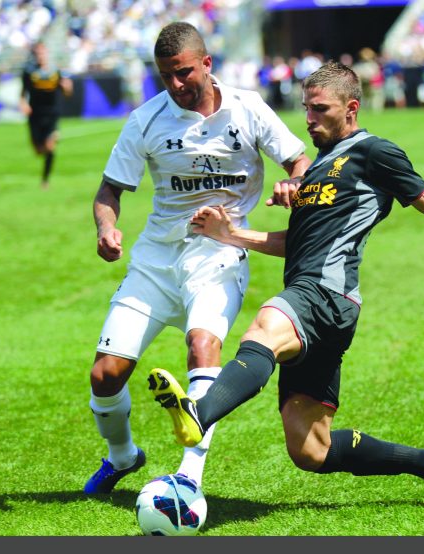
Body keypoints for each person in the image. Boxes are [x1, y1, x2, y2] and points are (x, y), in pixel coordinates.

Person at [148, 61, 424, 505]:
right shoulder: (320, 167)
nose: (308, 119)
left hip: (324, 294)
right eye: (305, 108)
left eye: (319, 109)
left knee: (264, 327)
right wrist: (231, 234)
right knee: (311, 450)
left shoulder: (374, 153)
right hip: (322, 303)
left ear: (351, 108)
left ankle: (199, 412)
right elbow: (299, 242)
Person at [84, 21, 310, 495]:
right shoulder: (146, 119)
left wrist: (292, 182)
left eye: (184, 73)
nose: (175, 85)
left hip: (220, 255)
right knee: (105, 376)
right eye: (165, 76)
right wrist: (107, 227)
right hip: (155, 260)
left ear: (207, 64)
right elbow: (110, 188)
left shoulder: (248, 109)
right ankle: (123, 457)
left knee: (202, 346)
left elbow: (298, 160)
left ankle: (189, 479)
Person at [19, 42, 73, 189]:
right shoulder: (29, 72)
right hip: (35, 114)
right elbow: (23, 92)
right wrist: (23, 103)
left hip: (52, 113)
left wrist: (68, 89)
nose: (40, 56)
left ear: (47, 54)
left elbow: (67, 93)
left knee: (50, 147)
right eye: (38, 53)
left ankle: (45, 180)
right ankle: (45, 154)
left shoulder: (55, 72)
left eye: (43, 53)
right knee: (38, 150)